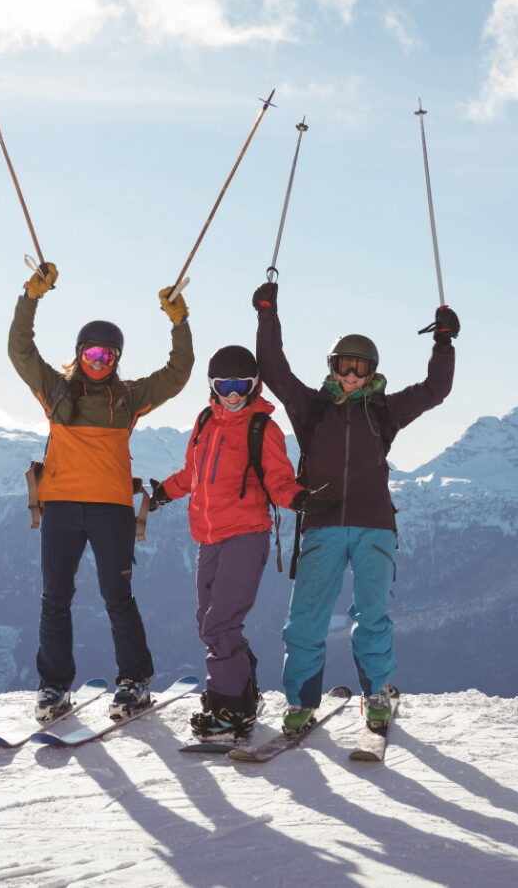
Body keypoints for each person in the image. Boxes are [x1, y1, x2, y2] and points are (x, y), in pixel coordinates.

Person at [251, 279, 458, 732]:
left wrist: (443, 343)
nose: (351, 375)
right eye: (345, 365)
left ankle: (377, 693)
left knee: (372, 616)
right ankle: (301, 702)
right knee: (306, 618)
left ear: (371, 371)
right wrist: (267, 314)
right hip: (322, 525)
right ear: (333, 366)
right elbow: (272, 366)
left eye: (360, 368)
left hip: (374, 527)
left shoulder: (384, 410)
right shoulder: (311, 407)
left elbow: (435, 390)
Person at [9, 262, 194, 721]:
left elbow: (178, 372)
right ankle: (54, 687)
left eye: (107, 357)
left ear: (117, 361)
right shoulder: (54, 391)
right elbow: (20, 350)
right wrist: (30, 297)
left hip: (111, 511)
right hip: (63, 509)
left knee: (117, 597)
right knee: (56, 598)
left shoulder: (128, 398)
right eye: (92, 355)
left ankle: (134, 681)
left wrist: (179, 322)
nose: (98, 362)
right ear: (79, 354)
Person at [148, 345, 317, 740]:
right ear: (213, 385)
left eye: (242, 384)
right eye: (226, 384)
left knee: (221, 622)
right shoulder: (206, 420)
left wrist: (301, 499)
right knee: (207, 621)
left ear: (255, 384)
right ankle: (242, 692)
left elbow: (279, 481)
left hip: (246, 535)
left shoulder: (263, 428)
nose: (234, 393)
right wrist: (162, 494)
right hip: (209, 537)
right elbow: (193, 473)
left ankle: (230, 709)